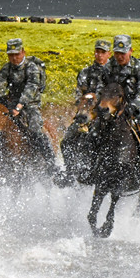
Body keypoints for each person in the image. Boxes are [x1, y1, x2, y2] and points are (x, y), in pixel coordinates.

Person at [0, 37, 57, 175]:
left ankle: (51, 163)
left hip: (30, 104)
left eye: (16, 54)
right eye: (11, 55)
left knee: (36, 126)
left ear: (23, 52)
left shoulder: (31, 67)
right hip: (11, 103)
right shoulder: (6, 68)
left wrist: (20, 106)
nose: (14, 58)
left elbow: (31, 87)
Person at [104, 34, 140, 174]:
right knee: (93, 130)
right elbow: (102, 87)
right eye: (117, 53)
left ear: (130, 51)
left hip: (133, 108)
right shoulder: (108, 67)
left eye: (123, 53)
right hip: (111, 107)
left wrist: (134, 105)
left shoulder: (138, 67)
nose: (120, 56)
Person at [58, 38, 111, 184]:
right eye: (97, 52)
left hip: (107, 113)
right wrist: (85, 103)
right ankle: (69, 172)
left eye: (103, 52)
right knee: (67, 140)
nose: (99, 55)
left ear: (109, 54)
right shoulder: (85, 72)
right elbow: (78, 95)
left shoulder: (113, 73)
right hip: (87, 113)